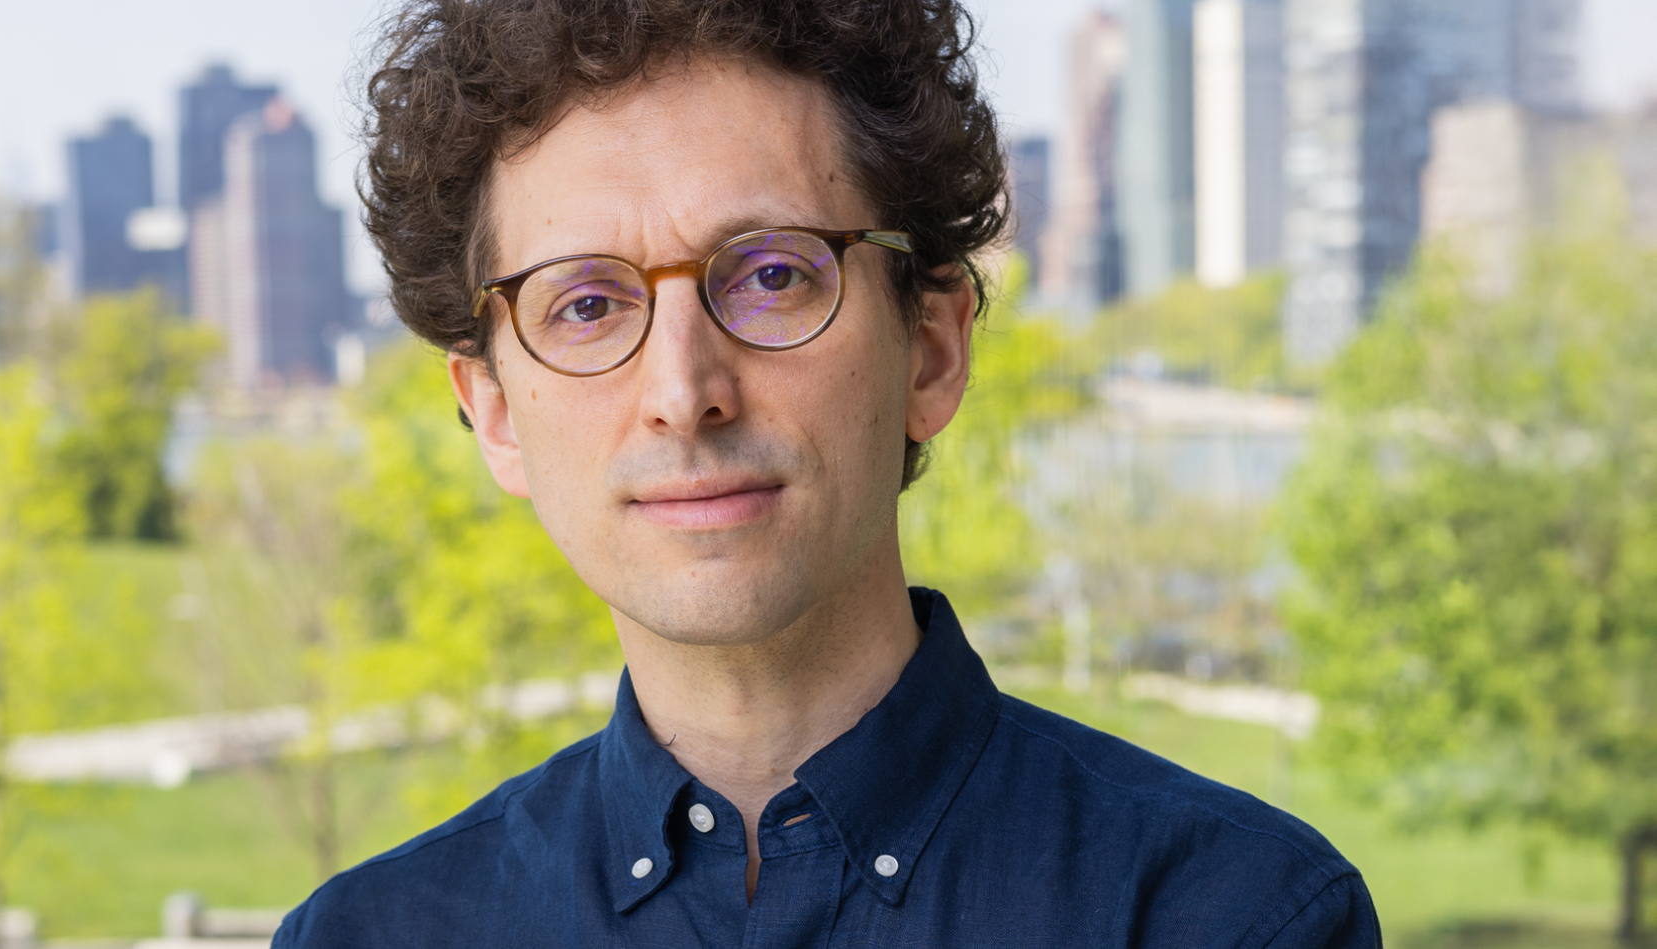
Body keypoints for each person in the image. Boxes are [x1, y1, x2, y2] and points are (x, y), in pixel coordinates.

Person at [274, 0, 1379, 945]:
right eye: (588, 303)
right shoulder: (367, 934)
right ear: (497, 414)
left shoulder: (1232, 915)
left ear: (932, 351)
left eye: (768, 275)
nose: (682, 389)